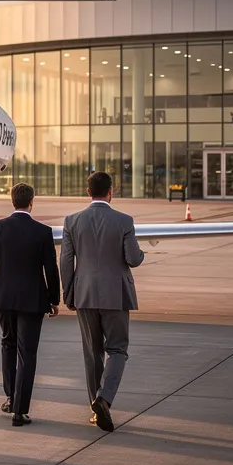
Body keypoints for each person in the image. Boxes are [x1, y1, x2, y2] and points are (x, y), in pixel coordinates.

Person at [61, 171, 145, 432]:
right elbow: (133, 259)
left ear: (88, 192)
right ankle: (104, 399)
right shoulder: (124, 221)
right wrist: (141, 253)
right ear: (111, 192)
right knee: (117, 350)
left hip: (84, 294)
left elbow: (66, 261)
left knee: (92, 353)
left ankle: (95, 410)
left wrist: (69, 294)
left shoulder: (72, 221)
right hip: (115, 295)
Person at [0, 183, 60, 427]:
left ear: (12, 201)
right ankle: (20, 410)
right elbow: (50, 268)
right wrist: (54, 299)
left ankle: (11, 397)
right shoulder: (43, 232)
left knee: (8, 344)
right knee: (27, 353)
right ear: (31, 202)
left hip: (3, 297)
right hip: (33, 299)